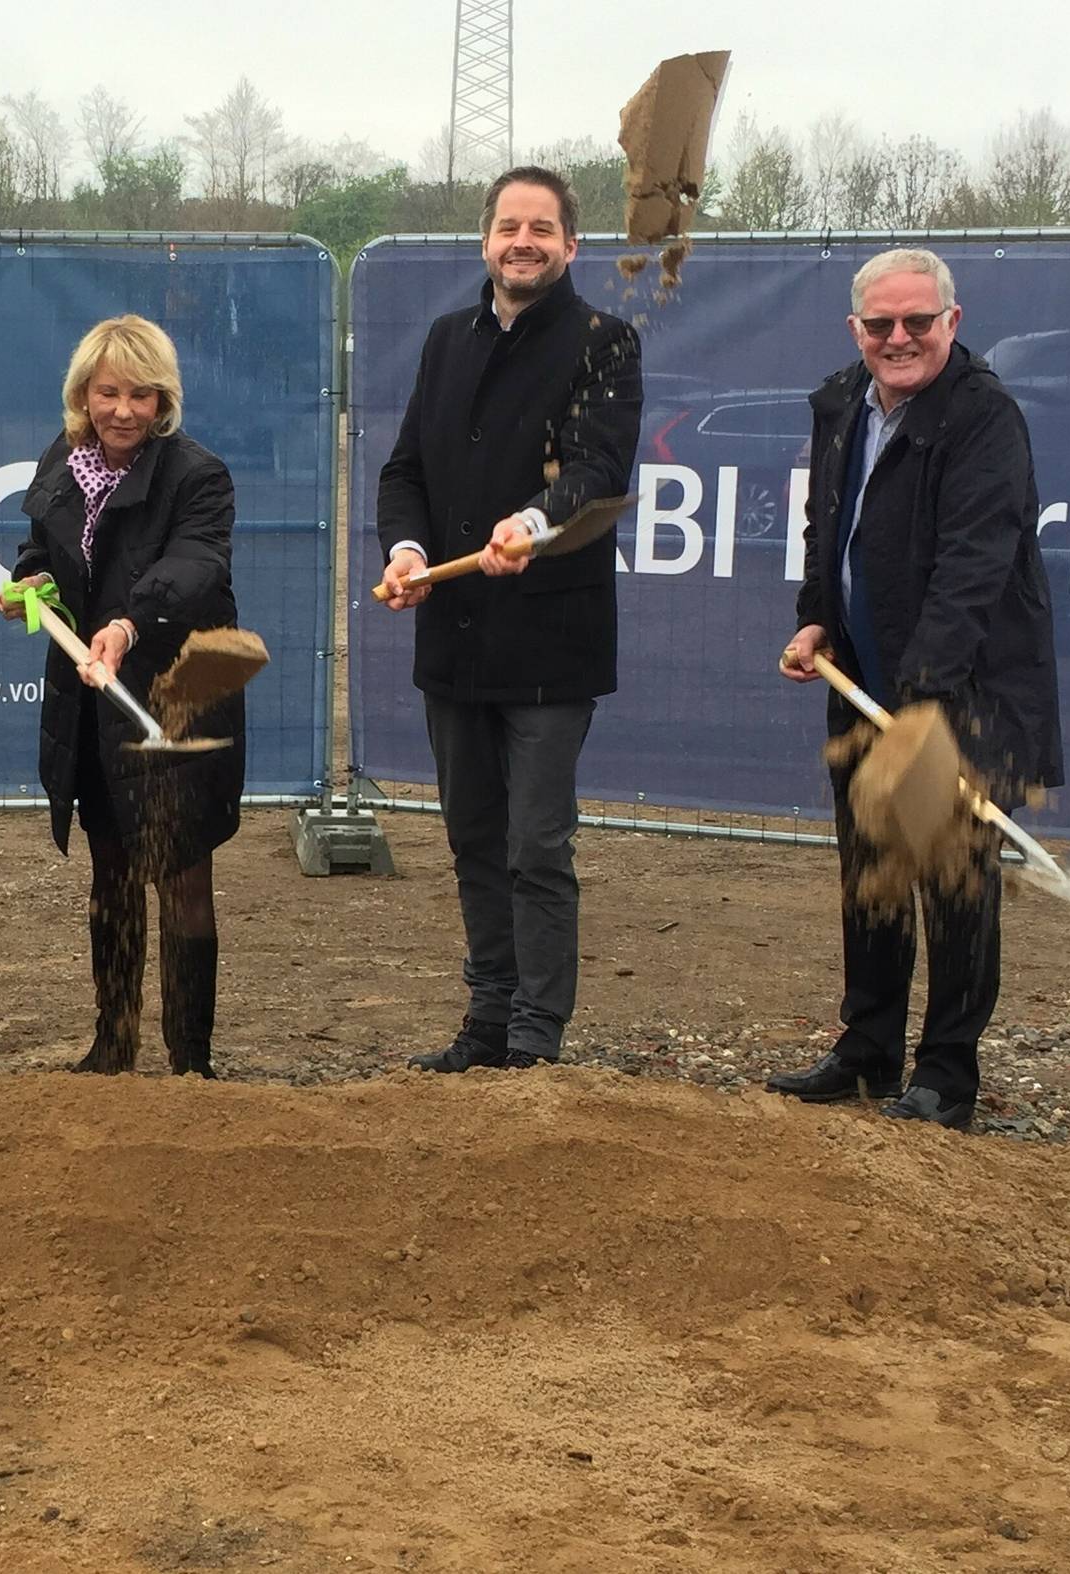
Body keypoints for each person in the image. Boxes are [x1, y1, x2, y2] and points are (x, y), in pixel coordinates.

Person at [774, 247, 1063, 1131]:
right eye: (880, 324)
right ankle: (867, 1051)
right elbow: (833, 527)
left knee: (952, 879)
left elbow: (973, 570)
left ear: (953, 322)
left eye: (918, 322)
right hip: (861, 676)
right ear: (856, 328)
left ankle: (945, 1075)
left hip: (962, 691)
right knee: (873, 869)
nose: (899, 339)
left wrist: (919, 701)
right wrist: (818, 615)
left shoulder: (985, 420)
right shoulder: (839, 404)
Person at [376, 166, 643, 1072]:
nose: (522, 241)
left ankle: (535, 1032)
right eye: (507, 226)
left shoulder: (605, 341)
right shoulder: (447, 339)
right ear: (485, 240)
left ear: (571, 245)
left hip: (549, 643)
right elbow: (404, 469)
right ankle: (487, 1015)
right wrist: (407, 553)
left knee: (536, 843)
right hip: (452, 637)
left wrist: (533, 524)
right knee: (473, 838)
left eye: (542, 228)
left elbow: (599, 471)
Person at [0, 315, 243, 1078]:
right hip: (90, 705)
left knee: (181, 876)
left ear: (163, 399)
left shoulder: (197, 475)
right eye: (108, 393)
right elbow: (45, 554)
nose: (124, 410)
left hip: (174, 696)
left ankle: (190, 1060)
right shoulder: (61, 466)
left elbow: (195, 565)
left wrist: (129, 625)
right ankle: (114, 1043)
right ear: (84, 395)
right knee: (111, 876)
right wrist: (29, 584)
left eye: (141, 393)